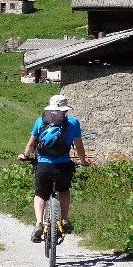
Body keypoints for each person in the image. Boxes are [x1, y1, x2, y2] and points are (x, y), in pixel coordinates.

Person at [17, 93, 91, 242]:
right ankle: (64, 220)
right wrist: (83, 161)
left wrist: (25, 155)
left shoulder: (40, 121)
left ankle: (39, 223)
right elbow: (79, 146)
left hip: (43, 166)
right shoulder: (73, 123)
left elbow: (31, 144)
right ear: (65, 109)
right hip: (63, 166)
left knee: (40, 195)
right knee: (64, 190)